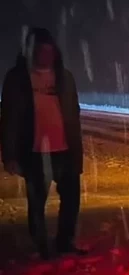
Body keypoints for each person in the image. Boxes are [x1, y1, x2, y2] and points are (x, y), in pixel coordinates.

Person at [1, 27, 84, 259]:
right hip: (35, 151)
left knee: (71, 200)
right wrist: (9, 155)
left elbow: (73, 115)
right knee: (37, 204)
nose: (46, 56)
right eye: (40, 51)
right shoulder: (17, 78)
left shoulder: (64, 77)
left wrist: (77, 151)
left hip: (65, 150)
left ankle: (64, 242)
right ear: (30, 51)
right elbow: (9, 118)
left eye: (49, 51)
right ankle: (42, 247)